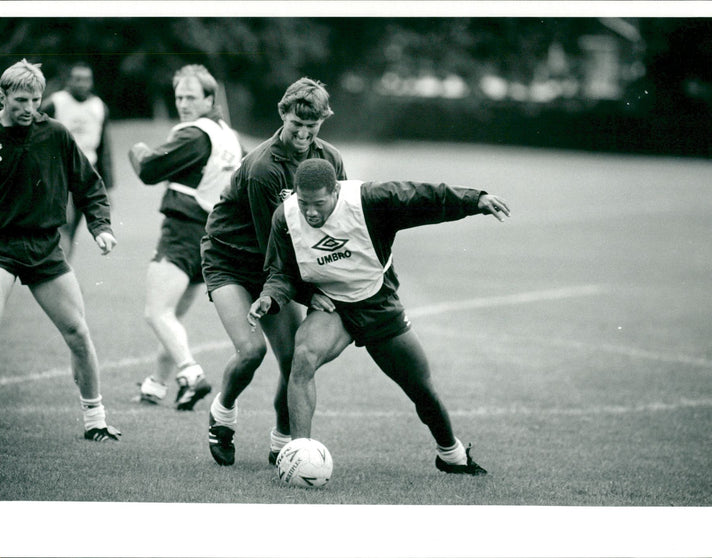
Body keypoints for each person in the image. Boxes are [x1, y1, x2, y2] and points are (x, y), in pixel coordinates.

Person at [248, 158, 512, 474]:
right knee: (301, 358)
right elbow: (281, 272)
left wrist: (475, 200)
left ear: (335, 191)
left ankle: (451, 454)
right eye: (304, 203)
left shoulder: (369, 201)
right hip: (333, 308)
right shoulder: (286, 216)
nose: (310, 212)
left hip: (377, 303)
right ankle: (298, 457)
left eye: (318, 203)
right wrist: (270, 297)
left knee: (421, 388)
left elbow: (422, 197)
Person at [0, 59, 120, 441]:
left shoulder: (54, 133)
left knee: (77, 331)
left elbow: (89, 185)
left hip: (44, 247)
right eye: (21, 100)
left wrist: (100, 227)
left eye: (35, 100)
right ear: (1, 96)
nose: (29, 108)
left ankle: (95, 420)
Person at [202, 77, 347, 466]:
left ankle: (285, 442)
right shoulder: (262, 168)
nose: (302, 133)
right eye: (295, 124)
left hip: (279, 266)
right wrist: (305, 291)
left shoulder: (330, 160)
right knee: (250, 351)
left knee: (293, 359)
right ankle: (223, 414)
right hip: (232, 259)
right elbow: (274, 245)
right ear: (282, 114)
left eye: (311, 126)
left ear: (322, 121)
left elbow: (340, 219)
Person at [128, 64, 243, 411]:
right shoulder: (229, 136)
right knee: (172, 316)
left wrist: (137, 150)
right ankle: (157, 384)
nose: (183, 103)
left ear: (210, 98)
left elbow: (149, 170)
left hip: (181, 232)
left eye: (191, 97)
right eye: (179, 96)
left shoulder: (194, 134)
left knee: (157, 313)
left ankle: (191, 376)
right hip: (209, 238)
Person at [42, 61, 114, 257]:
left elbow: (104, 148)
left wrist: (106, 185)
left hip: (86, 174)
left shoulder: (99, 107)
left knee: (73, 228)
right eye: (78, 79)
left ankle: (63, 272)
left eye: (86, 80)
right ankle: (62, 273)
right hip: (60, 172)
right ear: (69, 81)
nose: (82, 84)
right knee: (64, 223)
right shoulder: (55, 103)